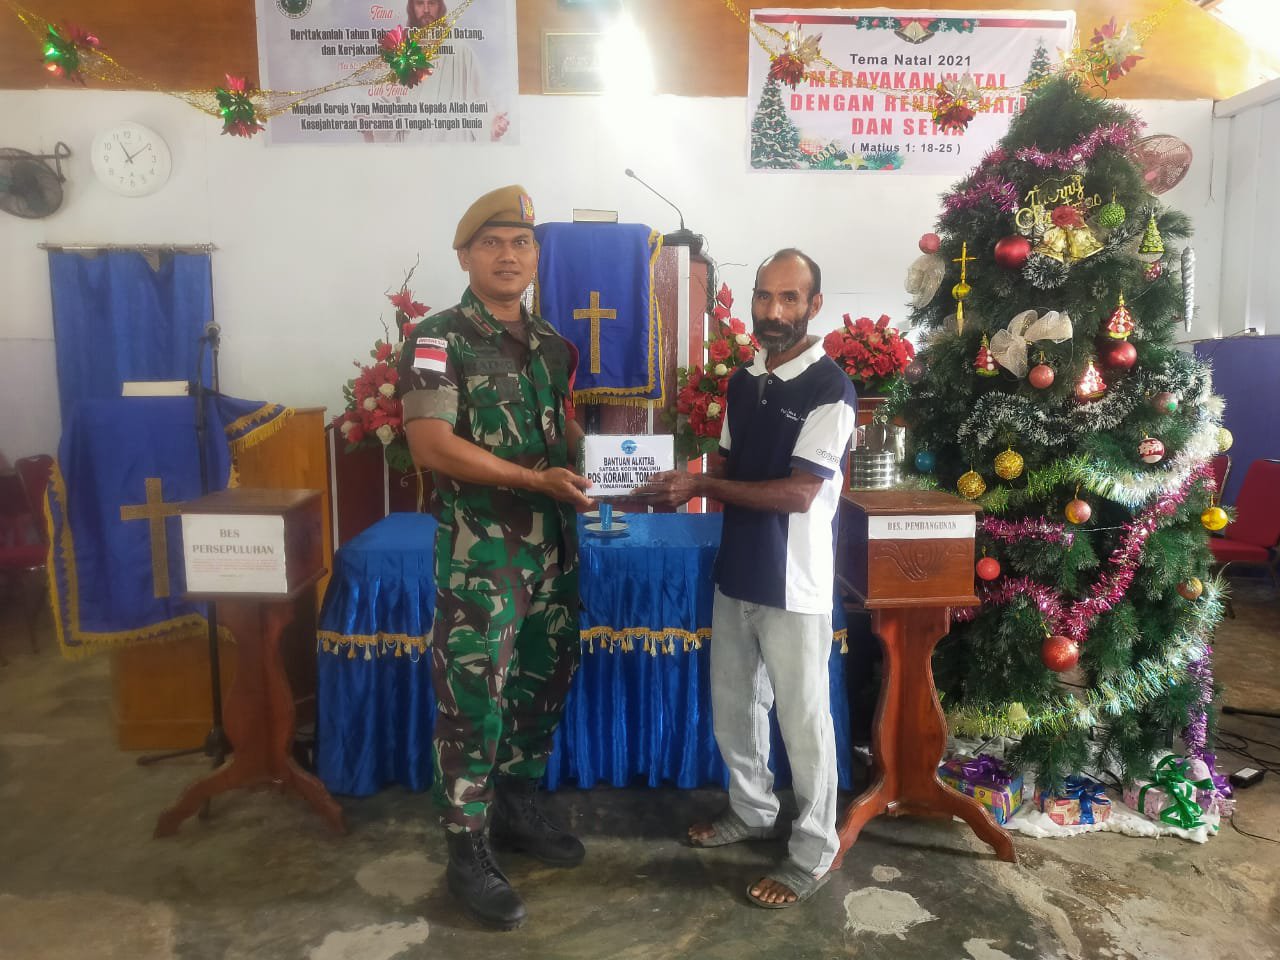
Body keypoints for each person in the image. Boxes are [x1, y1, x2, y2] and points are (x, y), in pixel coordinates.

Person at [396, 184, 593, 931]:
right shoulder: (438, 340)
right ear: (465, 256)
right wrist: (533, 480)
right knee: (474, 701)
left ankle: (515, 809)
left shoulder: (551, 344)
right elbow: (432, 445)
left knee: (541, 686)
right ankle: (466, 848)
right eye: (491, 244)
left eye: (521, 243)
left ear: (536, 256)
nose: (508, 256)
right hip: (484, 556)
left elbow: (559, 431)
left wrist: (614, 463)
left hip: (554, 551)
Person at [639, 249, 856, 908]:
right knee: (735, 705)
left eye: (789, 298)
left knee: (804, 721)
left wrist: (700, 486)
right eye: (764, 296)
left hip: (795, 581)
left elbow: (798, 493)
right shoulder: (744, 381)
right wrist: (670, 476)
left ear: (814, 305)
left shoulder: (830, 389)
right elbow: (730, 465)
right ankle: (754, 810)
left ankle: (814, 851)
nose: (773, 311)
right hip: (738, 570)